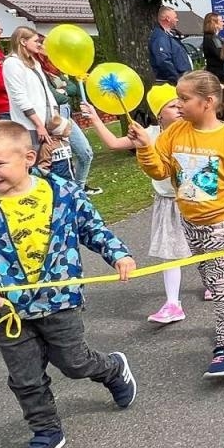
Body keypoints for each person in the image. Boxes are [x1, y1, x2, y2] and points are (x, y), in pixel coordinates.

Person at [0, 120, 138, 448]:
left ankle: (113, 368)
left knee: (73, 362)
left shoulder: (62, 192)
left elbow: (92, 227)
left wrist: (118, 254)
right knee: (25, 377)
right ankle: (45, 432)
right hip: (9, 310)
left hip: (59, 299)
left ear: (28, 157)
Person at [130, 70, 224, 379]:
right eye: (177, 98)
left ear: (207, 102)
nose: (178, 104)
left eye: (184, 98)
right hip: (191, 221)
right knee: (214, 281)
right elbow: (160, 170)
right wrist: (144, 148)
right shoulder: (176, 133)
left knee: (220, 286)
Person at [88, 90, 198, 322]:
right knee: (170, 253)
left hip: (194, 200)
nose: (178, 109)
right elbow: (113, 143)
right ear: (159, 114)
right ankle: (172, 303)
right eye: (171, 106)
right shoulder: (148, 134)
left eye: (181, 104)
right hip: (168, 203)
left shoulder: (192, 130)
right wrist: (95, 119)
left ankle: (213, 284)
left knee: (205, 246)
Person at [2, 26, 72, 180]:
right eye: (36, 41)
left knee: (55, 161)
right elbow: (20, 97)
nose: (39, 44)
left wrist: (55, 116)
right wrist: (39, 125)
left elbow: (45, 91)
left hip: (49, 121)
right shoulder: (12, 64)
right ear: (23, 41)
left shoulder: (34, 62)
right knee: (37, 165)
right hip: (31, 126)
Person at [35, 36, 99, 194]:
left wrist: (62, 90)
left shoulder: (56, 67)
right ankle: (64, 192)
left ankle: (79, 187)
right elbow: (54, 96)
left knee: (85, 153)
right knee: (57, 158)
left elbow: (72, 89)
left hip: (65, 113)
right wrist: (62, 91)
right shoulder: (37, 70)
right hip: (53, 116)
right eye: (44, 45)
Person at [148, 6, 194, 85]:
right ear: (168, 19)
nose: (177, 19)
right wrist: (177, 78)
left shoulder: (168, 36)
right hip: (170, 83)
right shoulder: (160, 37)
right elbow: (163, 60)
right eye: (175, 17)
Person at [199, 14, 224, 82]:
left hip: (217, 72)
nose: (223, 23)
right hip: (218, 74)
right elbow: (221, 54)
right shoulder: (212, 38)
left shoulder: (213, 37)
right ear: (214, 23)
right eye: (221, 21)